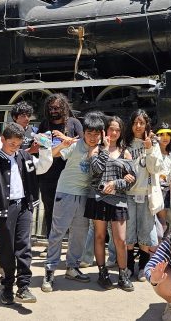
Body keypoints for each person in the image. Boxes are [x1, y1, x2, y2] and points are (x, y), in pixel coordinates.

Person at [0, 122, 52, 305]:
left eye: (18, 144)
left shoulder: (24, 156)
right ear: (2, 139)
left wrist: (45, 148)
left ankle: (23, 286)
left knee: (24, 247)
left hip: (24, 206)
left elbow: (42, 167)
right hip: (3, 208)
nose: (15, 148)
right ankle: (6, 287)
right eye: (12, 144)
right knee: (7, 249)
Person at [41, 112, 105, 292]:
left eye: (96, 134)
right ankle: (50, 269)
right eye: (89, 133)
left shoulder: (102, 149)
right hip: (66, 193)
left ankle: (72, 267)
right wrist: (63, 144)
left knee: (80, 233)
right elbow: (52, 155)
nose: (93, 137)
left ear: (101, 134)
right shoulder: (75, 145)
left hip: (84, 195)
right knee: (58, 232)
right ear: (84, 132)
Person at [86, 118, 136, 291]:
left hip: (118, 199)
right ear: (104, 131)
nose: (113, 133)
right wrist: (106, 149)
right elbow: (97, 169)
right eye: (110, 129)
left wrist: (116, 184)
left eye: (117, 130)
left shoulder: (126, 153)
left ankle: (123, 274)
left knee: (120, 240)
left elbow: (132, 179)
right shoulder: (95, 150)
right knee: (99, 237)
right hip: (97, 198)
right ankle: (102, 272)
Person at [37, 94, 83, 237]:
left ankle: (69, 239)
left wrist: (65, 138)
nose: (53, 111)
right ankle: (52, 239)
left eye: (56, 108)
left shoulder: (74, 123)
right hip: (48, 174)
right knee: (50, 208)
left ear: (63, 107)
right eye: (50, 108)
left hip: (68, 173)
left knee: (70, 210)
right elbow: (39, 145)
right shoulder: (45, 124)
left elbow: (85, 143)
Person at [123, 109, 160, 281]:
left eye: (142, 123)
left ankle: (143, 266)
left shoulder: (153, 144)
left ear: (147, 125)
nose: (138, 126)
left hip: (146, 194)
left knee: (145, 232)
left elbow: (155, 169)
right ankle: (129, 266)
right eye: (135, 122)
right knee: (129, 233)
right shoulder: (125, 144)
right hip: (128, 193)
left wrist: (150, 149)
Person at [149, 123, 171, 240]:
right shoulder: (153, 152)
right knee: (159, 221)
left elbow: (170, 175)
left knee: (164, 221)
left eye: (168, 135)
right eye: (162, 134)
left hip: (166, 190)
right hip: (155, 189)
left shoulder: (169, 154)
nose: (165, 137)